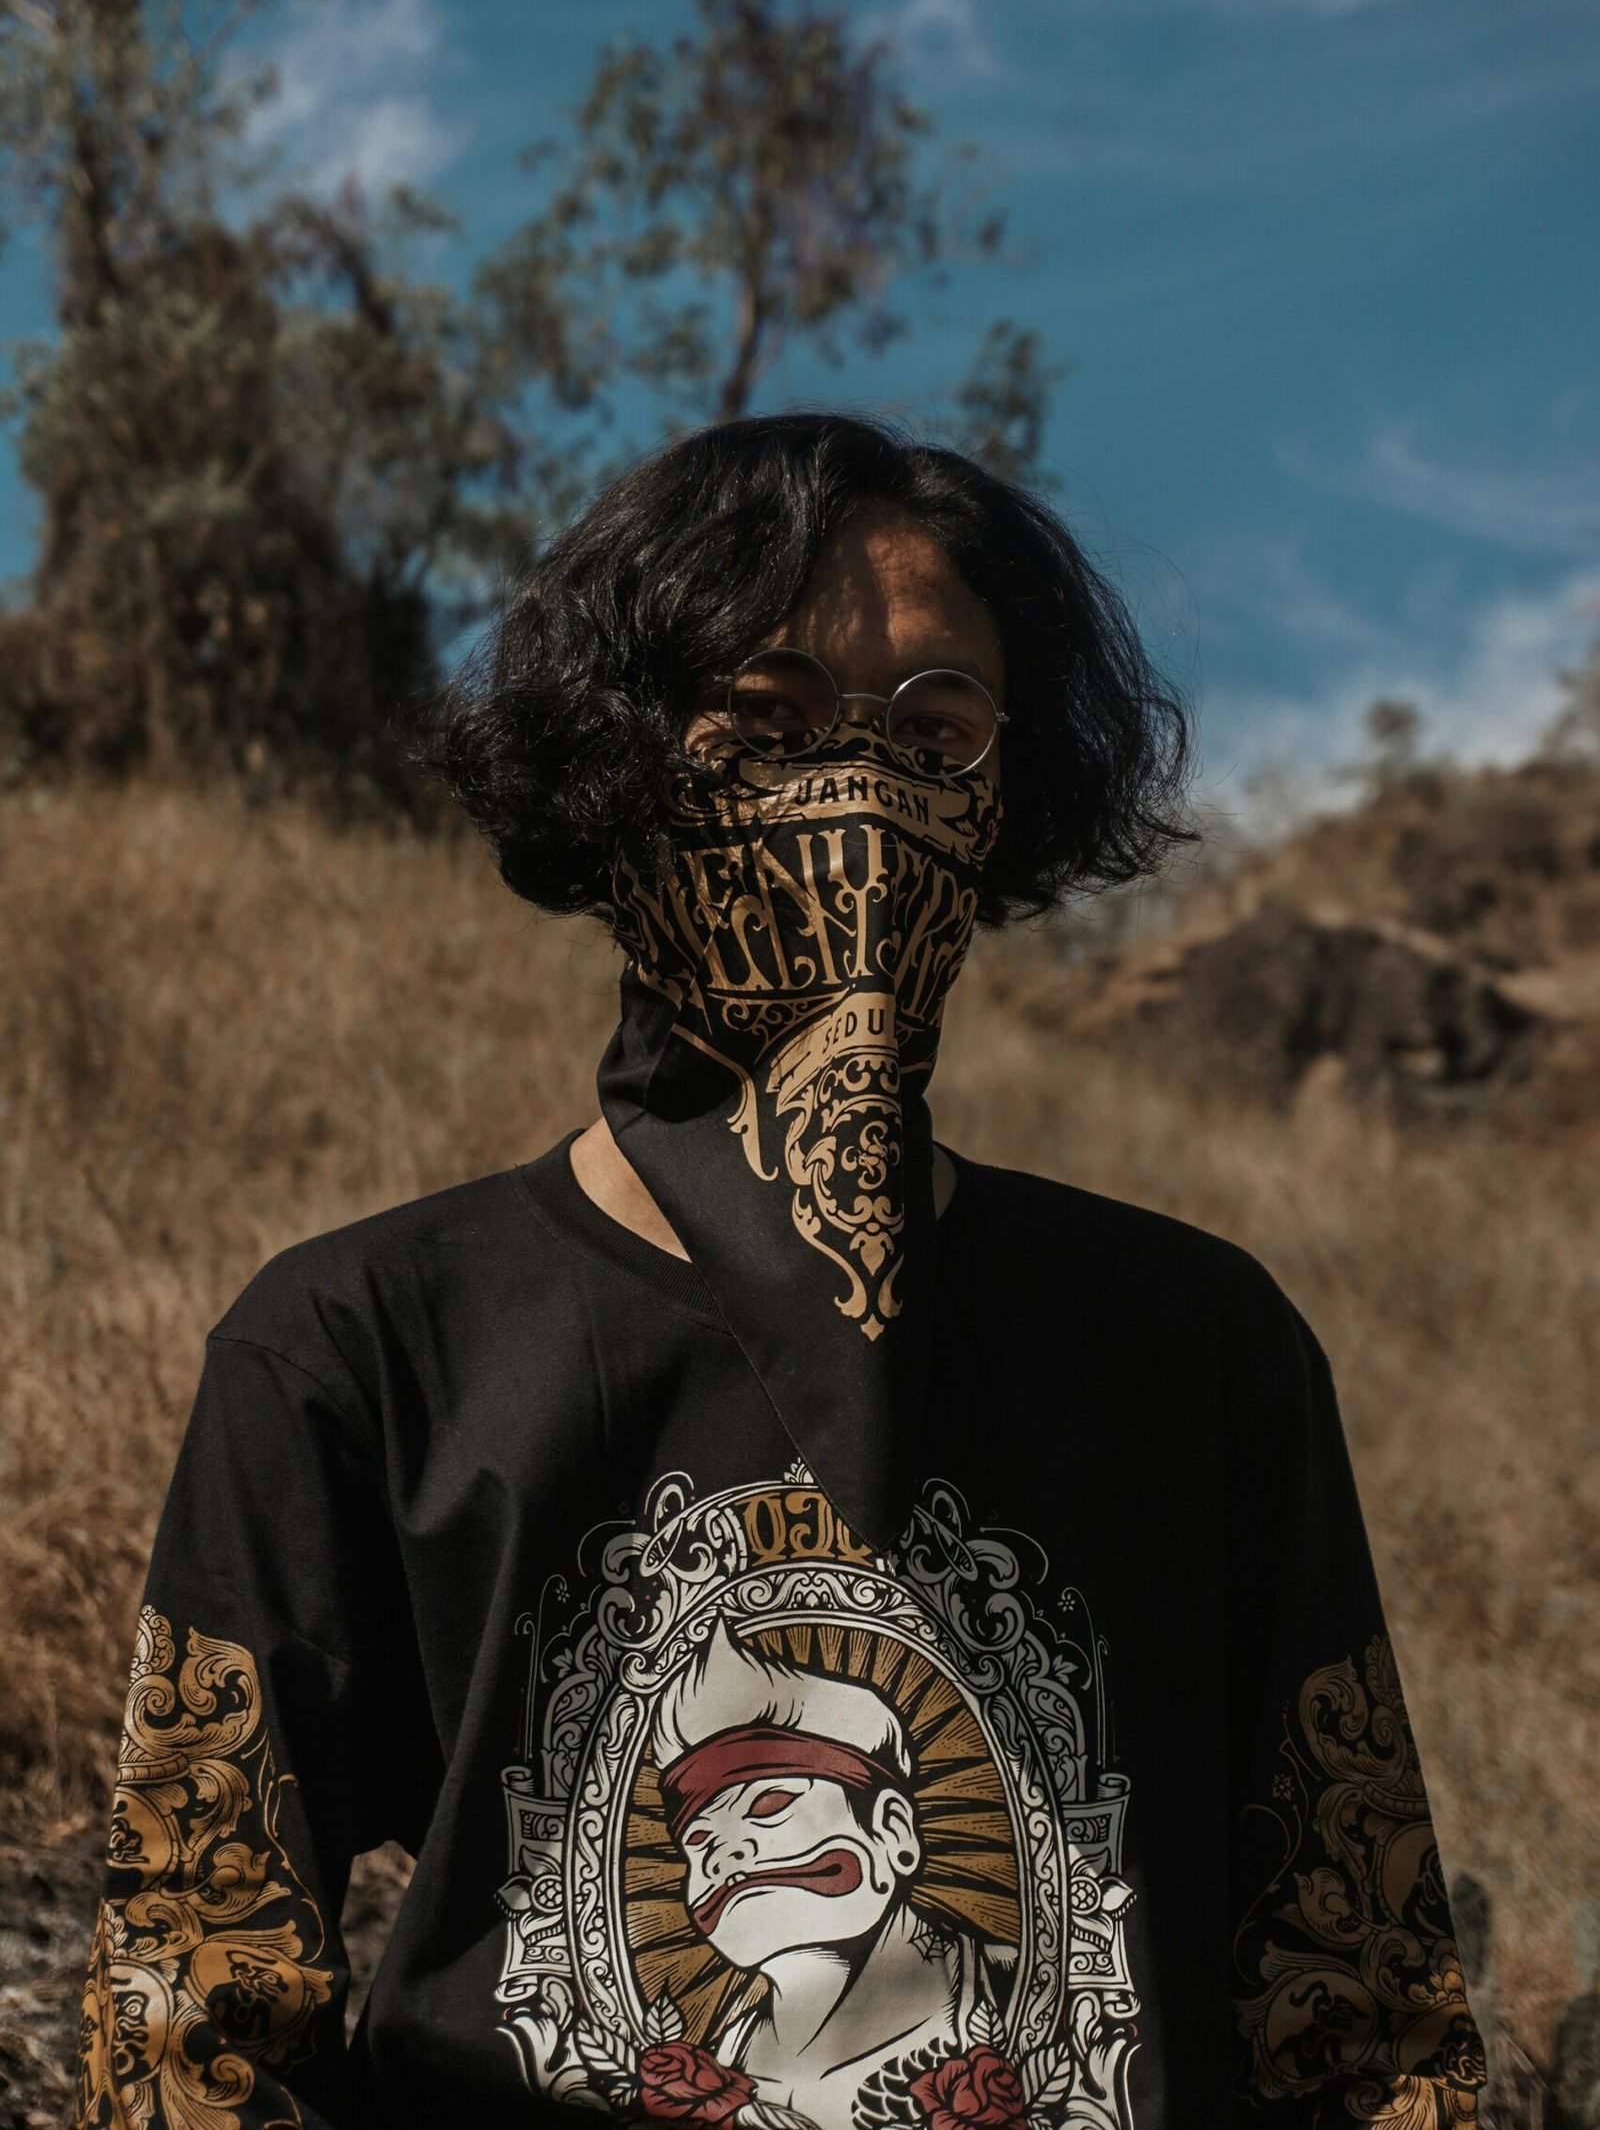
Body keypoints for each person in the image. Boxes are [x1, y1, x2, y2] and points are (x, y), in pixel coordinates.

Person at [77, 413, 1485, 2130]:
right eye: (767, 722)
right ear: (622, 765)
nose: (861, 795)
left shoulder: (1197, 1354)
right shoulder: (360, 1349)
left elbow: (1371, 2019)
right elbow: (190, 2019)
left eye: (937, 732)